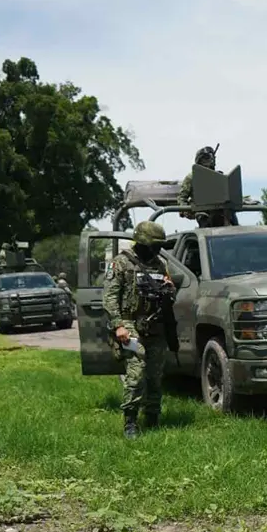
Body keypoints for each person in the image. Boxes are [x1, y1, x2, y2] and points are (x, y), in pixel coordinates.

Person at [102, 221, 175, 438]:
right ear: (143, 242)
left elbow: (168, 291)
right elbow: (109, 297)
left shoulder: (160, 265)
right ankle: (130, 422)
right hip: (130, 323)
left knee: (155, 374)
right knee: (136, 373)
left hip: (155, 325)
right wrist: (119, 326)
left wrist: (169, 291)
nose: (158, 249)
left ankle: (152, 417)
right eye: (155, 245)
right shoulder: (121, 263)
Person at [177, 145, 219, 210]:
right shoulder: (192, 177)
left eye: (213, 157)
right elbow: (182, 197)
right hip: (201, 211)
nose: (211, 160)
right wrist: (186, 210)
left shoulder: (218, 177)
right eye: (207, 158)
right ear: (200, 160)